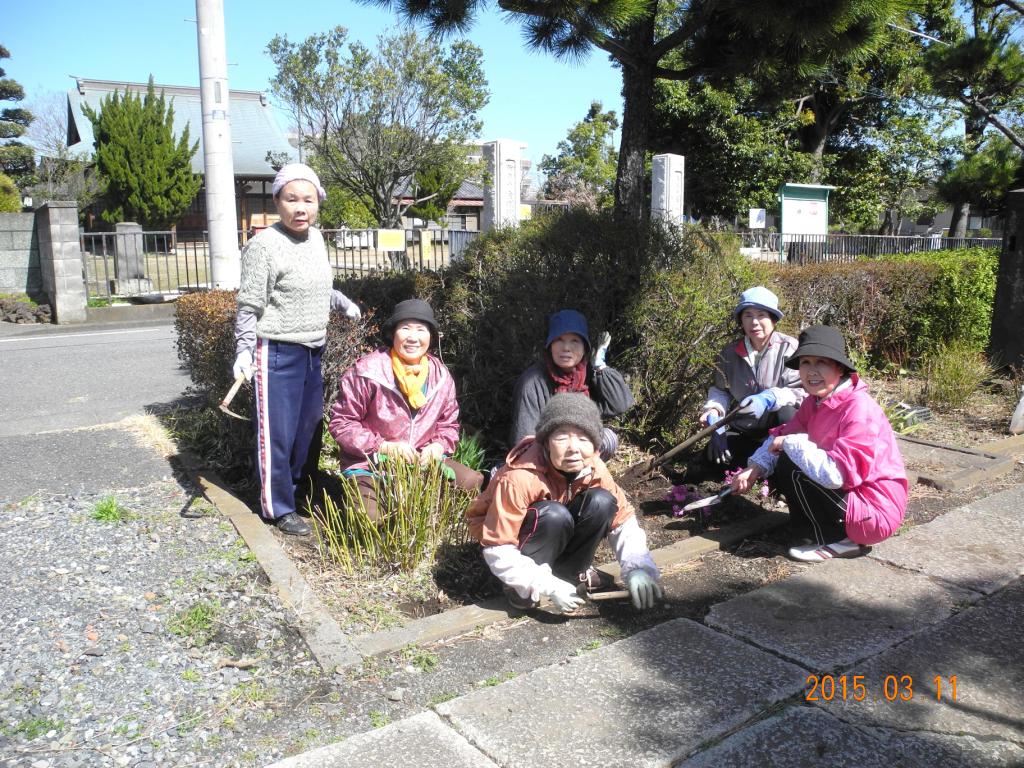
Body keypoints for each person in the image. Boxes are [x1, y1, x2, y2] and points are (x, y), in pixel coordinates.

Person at [233, 163, 361, 536]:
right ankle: (278, 507)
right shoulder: (264, 246)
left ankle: (301, 493)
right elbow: (249, 305)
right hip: (276, 351)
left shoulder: (317, 239)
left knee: (308, 429)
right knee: (278, 433)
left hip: (312, 349)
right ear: (277, 201)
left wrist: (341, 301)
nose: (300, 207)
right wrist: (243, 351)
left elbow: (317, 287)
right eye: (291, 199)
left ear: (318, 203)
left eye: (308, 199)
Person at [468, 393, 663, 613]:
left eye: (584, 438)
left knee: (602, 501)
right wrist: (545, 585)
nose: (573, 448)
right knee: (554, 515)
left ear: (596, 445)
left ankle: (568, 575)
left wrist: (638, 569)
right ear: (546, 442)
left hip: (556, 534)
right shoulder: (519, 477)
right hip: (515, 544)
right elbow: (499, 547)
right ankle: (520, 589)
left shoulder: (594, 467)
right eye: (561, 437)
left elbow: (623, 522)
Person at [728, 326, 908, 561]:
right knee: (787, 458)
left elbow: (838, 475)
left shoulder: (858, 408)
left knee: (794, 461)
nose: (811, 371)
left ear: (839, 368)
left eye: (821, 362)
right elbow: (781, 436)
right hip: (852, 502)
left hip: (873, 512)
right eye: (806, 362)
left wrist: (791, 442)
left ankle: (835, 539)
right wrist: (754, 469)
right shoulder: (815, 402)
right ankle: (813, 533)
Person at [328, 298, 483, 519]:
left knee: (470, 481)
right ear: (393, 334)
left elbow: (448, 424)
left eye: (421, 329)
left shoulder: (441, 376)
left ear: (431, 336)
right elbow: (342, 424)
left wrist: (438, 447)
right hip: (371, 464)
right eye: (405, 328)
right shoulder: (367, 372)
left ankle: (417, 514)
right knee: (370, 519)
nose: (413, 337)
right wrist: (383, 447)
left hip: (420, 464)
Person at [700, 286, 805, 469]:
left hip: (780, 429)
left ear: (773, 319)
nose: (754, 322)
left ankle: (786, 465)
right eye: (748, 315)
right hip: (745, 429)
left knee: (786, 411)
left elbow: (800, 391)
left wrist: (769, 398)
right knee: (711, 459)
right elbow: (720, 389)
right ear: (741, 320)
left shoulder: (789, 348)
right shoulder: (730, 353)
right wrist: (715, 414)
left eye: (761, 315)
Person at [510, 309, 634, 459]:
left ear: (585, 348)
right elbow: (524, 440)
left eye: (574, 341)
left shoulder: (589, 373)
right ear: (550, 346)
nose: (566, 348)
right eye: (559, 340)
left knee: (609, 439)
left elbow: (620, 403)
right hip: (548, 455)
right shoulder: (532, 382)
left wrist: (600, 366)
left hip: (581, 450)